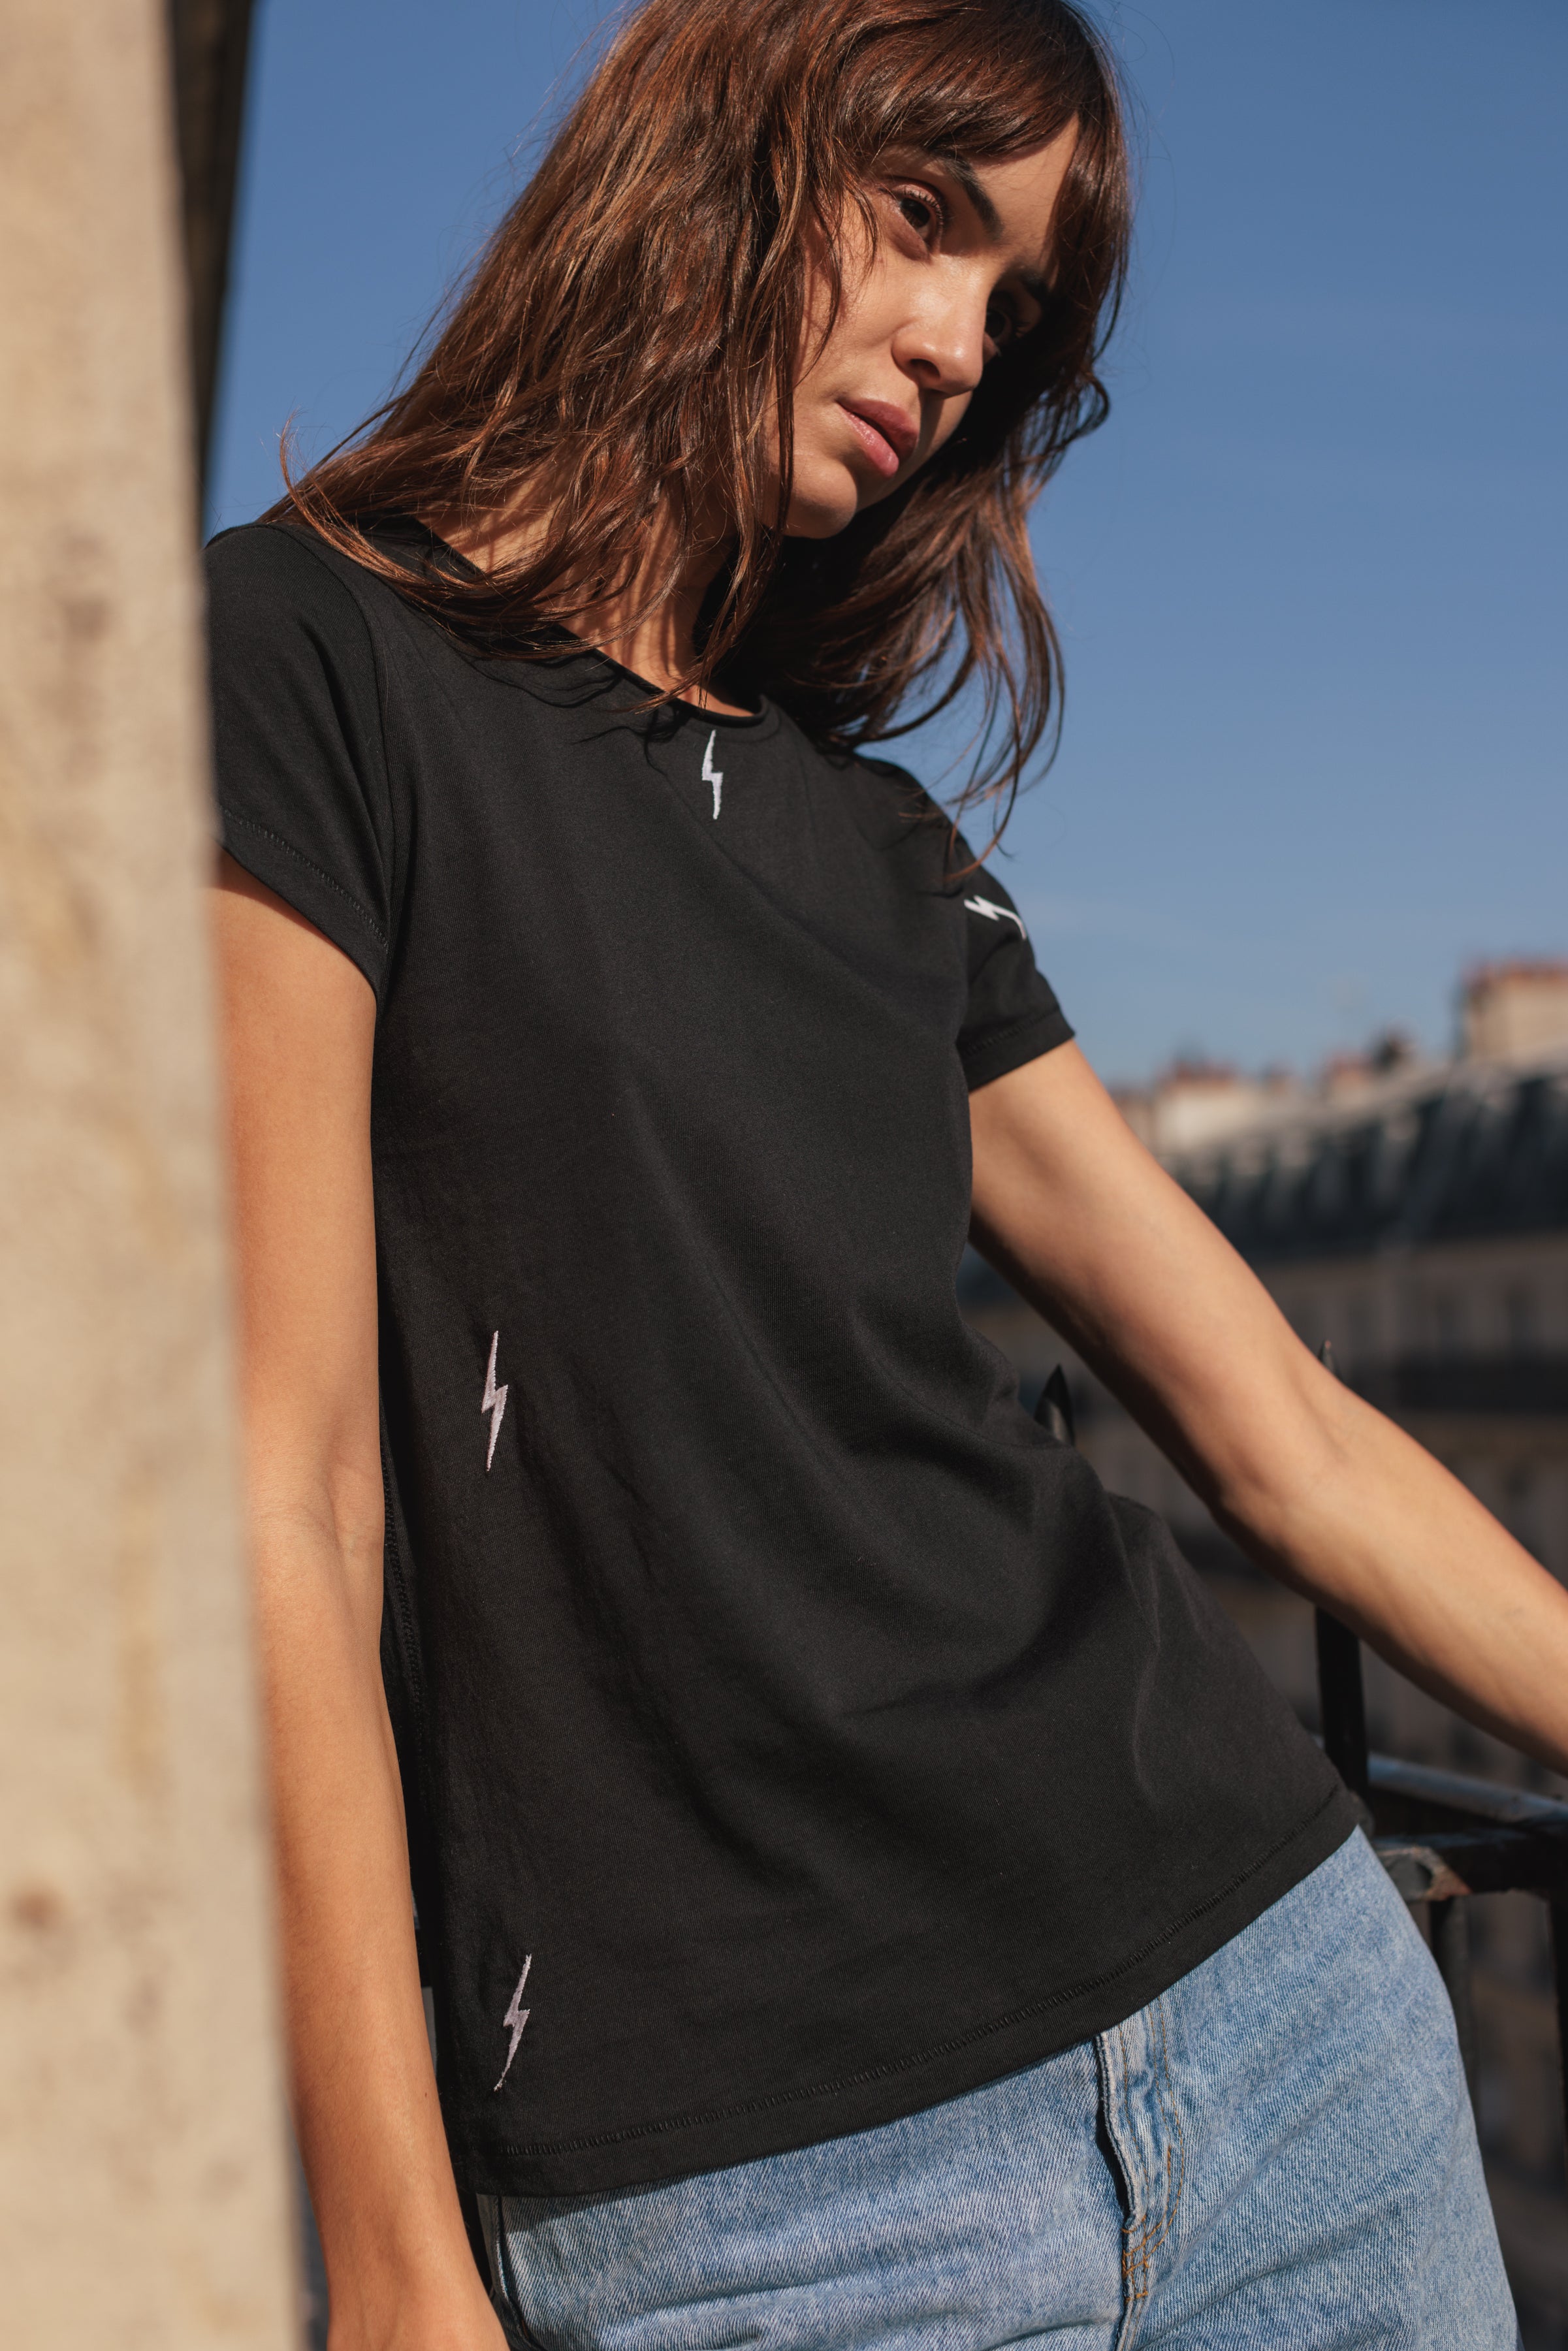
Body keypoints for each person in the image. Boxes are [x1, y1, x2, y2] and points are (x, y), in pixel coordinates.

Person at [208, 1, 1561, 2343]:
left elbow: (1289, 1435)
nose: (954, 343)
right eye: (922, 219)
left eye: (1011, 301)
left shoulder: (875, 838)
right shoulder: (303, 662)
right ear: (714, 146)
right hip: (753, 2212)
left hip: (1275, 2029)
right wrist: (400, 2268)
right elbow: (289, 1497)